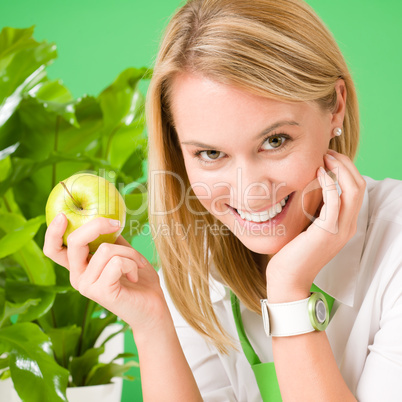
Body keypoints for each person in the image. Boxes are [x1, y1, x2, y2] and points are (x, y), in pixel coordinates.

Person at [43, 0, 402, 400]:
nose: (249, 189)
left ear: (335, 107)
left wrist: (288, 291)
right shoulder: (200, 269)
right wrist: (150, 323)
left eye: (275, 141)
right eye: (211, 154)